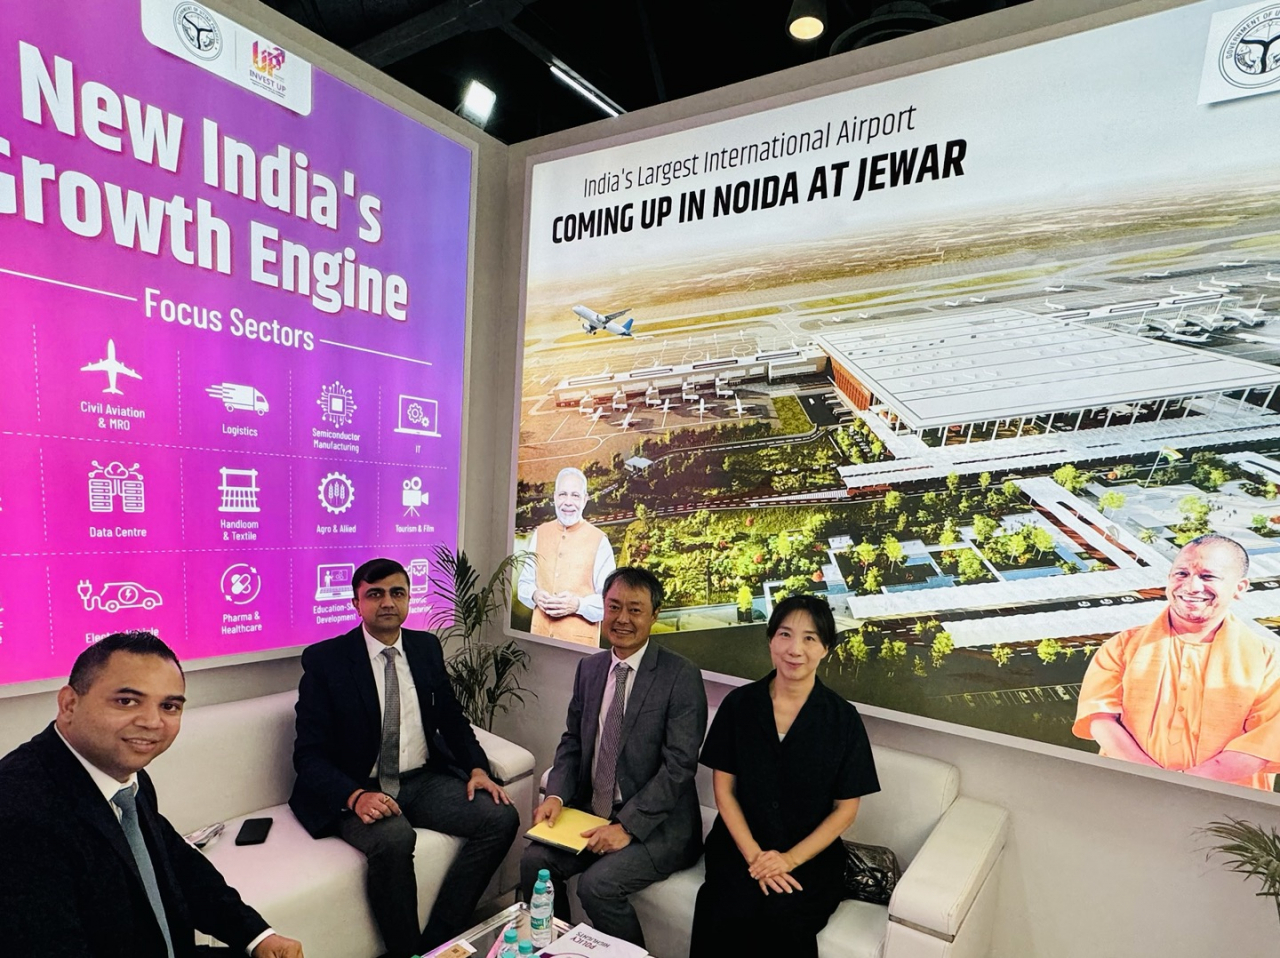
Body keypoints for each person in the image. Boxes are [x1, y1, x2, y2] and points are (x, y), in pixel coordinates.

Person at [0, 631, 304, 958]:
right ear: (69, 704)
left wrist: (257, 936)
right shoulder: (19, 812)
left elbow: (175, 860)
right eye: (126, 701)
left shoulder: (125, 776)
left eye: (169, 706)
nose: (152, 722)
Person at [289, 557, 519, 957]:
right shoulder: (327, 660)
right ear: (355, 602)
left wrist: (478, 768)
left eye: (397, 593)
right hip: (360, 787)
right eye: (374, 594)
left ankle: (440, 939)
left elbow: (451, 718)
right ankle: (406, 952)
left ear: (409, 599)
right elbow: (308, 755)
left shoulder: (425, 647)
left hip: (421, 779)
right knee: (396, 838)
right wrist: (355, 796)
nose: (387, 603)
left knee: (500, 816)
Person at [520, 566, 707, 947]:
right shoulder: (590, 668)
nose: (622, 619)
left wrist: (627, 827)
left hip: (659, 826)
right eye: (614, 606)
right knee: (533, 861)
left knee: (597, 885)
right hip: (594, 812)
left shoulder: (680, 675)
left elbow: (679, 767)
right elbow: (572, 741)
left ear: (655, 615)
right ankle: (555, 949)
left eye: (635, 610)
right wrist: (555, 795)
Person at [689, 595, 880, 958]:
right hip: (738, 847)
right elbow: (724, 790)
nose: (796, 649)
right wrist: (755, 857)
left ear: (825, 648)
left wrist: (788, 860)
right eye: (785, 635)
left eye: (810, 638)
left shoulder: (843, 720)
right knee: (723, 909)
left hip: (810, 859)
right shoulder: (739, 705)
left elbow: (846, 810)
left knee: (785, 918)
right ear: (770, 639)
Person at [1073, 533, 1280, 791]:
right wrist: (1155, 782)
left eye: (1207, 576)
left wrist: (1185, 786)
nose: (1192, 587)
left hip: (1229, 808)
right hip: (1128, 791)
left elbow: (1265, 743)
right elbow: (1100, 720)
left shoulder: (1269, 660)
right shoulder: (1122, 646)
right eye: (1181, 574)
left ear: (1239, 588)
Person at [517, 467, 617, 645]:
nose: (568, 502)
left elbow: (611, 603)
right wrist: (534, 595)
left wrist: (578, 605)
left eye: (575, 495)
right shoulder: (540, 533)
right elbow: (524, 583)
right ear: (554, 497)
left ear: (585, 499)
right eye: (563, 494)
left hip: (579, 649)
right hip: (539, 642)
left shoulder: (600, 541)